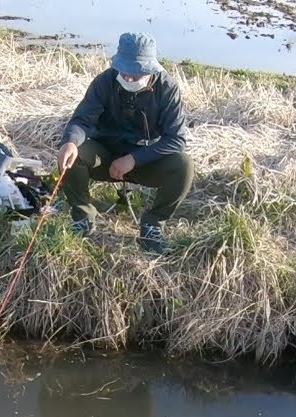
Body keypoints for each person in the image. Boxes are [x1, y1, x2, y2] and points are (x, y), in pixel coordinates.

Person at [56, 32, 195, 254]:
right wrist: (70, 141)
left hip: (146, 159)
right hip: (105, 154)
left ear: (151, 69)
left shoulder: (167, 89)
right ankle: (83, 217)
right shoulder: (105, 81)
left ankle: (153, 224)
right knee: (75, 154)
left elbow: (176, 139)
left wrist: (134, 159)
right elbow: (82, 120)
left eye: (136, 74)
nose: (128, 78)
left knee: (184, 165)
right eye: (124, 72)